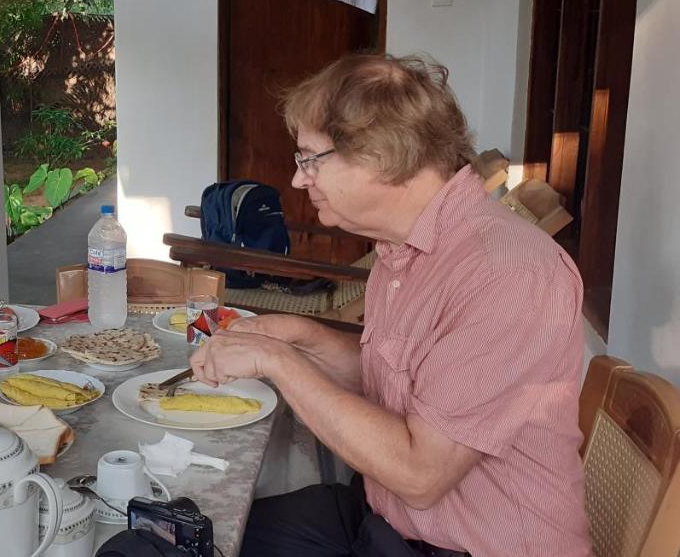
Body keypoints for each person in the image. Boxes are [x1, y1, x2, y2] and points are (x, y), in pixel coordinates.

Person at [190, 54, 591, 556]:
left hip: (467, 546)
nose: (298, 180)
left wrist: (278, 361)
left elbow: (419, 474)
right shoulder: (404, 249)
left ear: (380, 156)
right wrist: (305, 338)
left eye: (311, 158)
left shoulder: (509, 273)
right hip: (384, 522)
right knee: (184, 533)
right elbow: (405, 383)